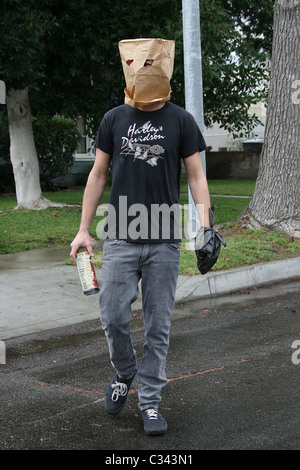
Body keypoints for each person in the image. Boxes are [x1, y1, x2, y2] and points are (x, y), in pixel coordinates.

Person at [70, 38, 211, 436]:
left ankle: (150, 402)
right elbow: (98, 175)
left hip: (164, 237)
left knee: (157, 324)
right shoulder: (114, 119)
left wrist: (207, 226)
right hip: (121, 234)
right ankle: (124, 371)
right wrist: (83, 230)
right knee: (113, 314)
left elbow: (198, 177)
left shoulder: (181, 121)